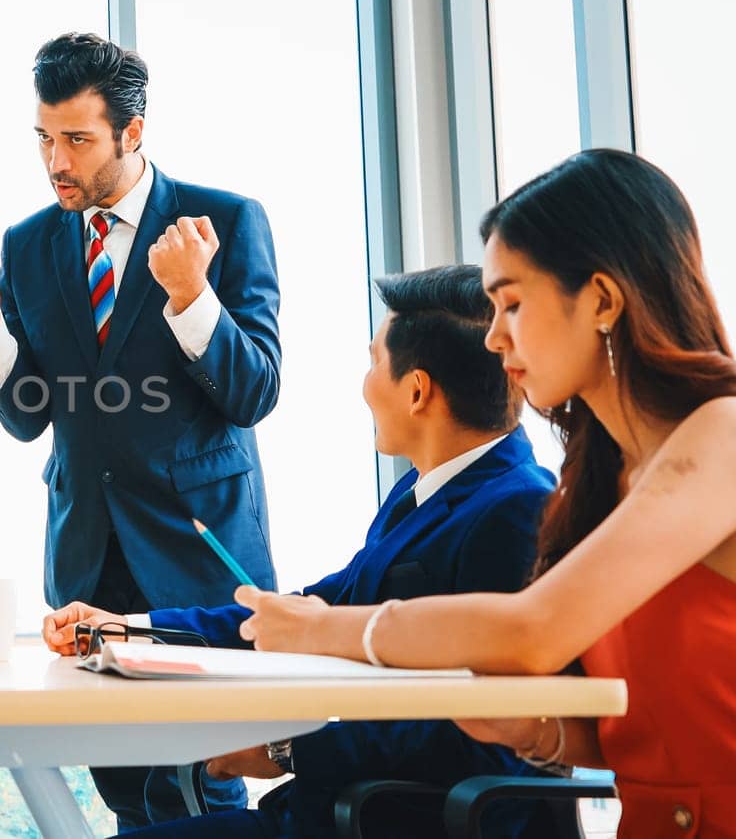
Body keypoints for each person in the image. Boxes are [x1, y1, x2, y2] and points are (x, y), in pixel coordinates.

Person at [236, 150, 736, 837]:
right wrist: (538, 732)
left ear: (602, 300)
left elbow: (532, 630)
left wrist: (328, 628)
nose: (495, 337)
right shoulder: (603, 482)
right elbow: (651, 733)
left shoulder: (724, 436)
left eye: (512, 303)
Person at [45, 265, 558, 837]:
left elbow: (488, 732)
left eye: (373, 363)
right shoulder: (424, 494)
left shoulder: (516, 510)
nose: (365, 385)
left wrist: (285, 751)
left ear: (416, 390)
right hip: (338, 810)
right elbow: (306, 610)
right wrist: (132, 628)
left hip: (388, 823)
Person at [0, 31, 282, 828]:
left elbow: (255, 392)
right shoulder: (29, 244)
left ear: (132, 132)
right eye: (44, 138)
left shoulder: (225, 221)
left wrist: (193, 297)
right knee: (124, 788)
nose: (56, 161)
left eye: (77, 140)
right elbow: (27, 416)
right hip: (88, 558)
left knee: (205, 782)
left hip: (196, 557)